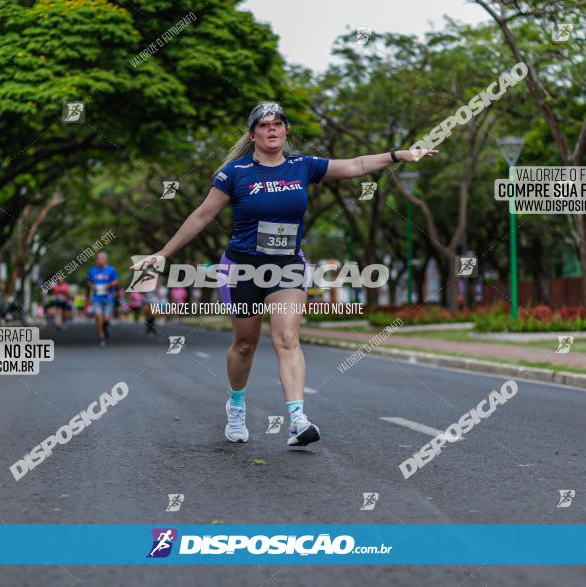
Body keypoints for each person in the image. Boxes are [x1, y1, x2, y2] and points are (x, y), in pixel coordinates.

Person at [133, 101, 436, 447]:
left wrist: (399, 155)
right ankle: (235, 404)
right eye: (264, 125)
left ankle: (297, 419)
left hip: (287, 265)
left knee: (288, 339)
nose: (272, 129)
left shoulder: (302, 166)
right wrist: (161, 254)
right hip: (242, 267)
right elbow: (201, 216)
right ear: (253, 134)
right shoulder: (234, 173)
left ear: (286, 131)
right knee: (245, 344)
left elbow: (355, 165)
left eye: (278, 124)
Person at [86, 252, 118, 346]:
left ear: (105, 260)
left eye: (102, 259)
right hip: (97, 298)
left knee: (106, 319)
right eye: (99, 259)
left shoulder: (111, 270)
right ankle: (101, 336)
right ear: (96, 260)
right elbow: (89, 282)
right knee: (99, 318)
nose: (100, 261)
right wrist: (93, 288)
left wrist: (109, 286)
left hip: (109, 297)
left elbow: (116, 281)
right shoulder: (92, 271)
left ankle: (104, 328)